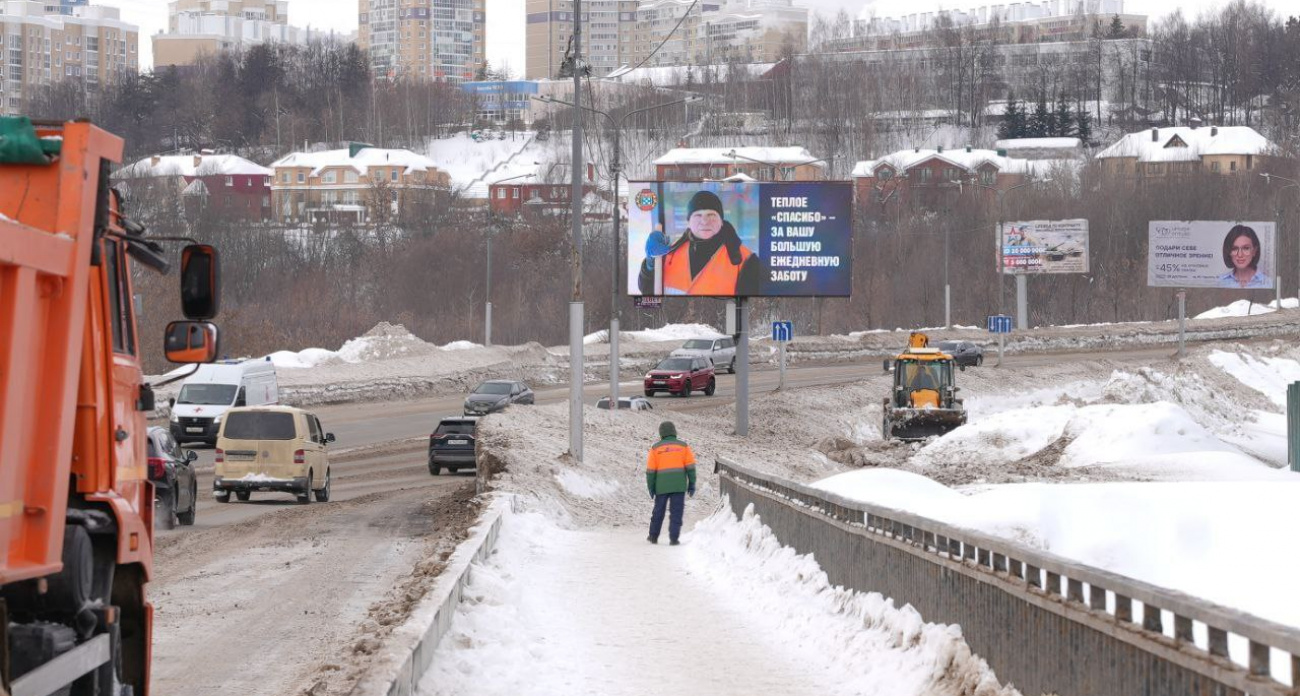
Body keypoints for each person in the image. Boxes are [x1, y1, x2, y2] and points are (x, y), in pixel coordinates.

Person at [637, 190, 762, 296]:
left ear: (722, 221)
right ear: (688, 222)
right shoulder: (670, 252)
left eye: (711, 214)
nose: (704, 221)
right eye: (698, 215)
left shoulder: (746, 261)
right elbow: (647, 291)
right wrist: (650, 265)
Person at [645, 420, 696, 546]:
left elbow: (650, 471)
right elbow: (690, 467)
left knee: (658, 511)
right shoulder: (683, 447)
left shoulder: (655, 448)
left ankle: (653, 536)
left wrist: (651, 487)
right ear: (674, 432)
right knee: (676, 512)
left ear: (661, 433)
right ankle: (674, 538)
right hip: (679, 486)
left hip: (661, 487)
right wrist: (692, 484)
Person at [1218, 225, 1271, 289]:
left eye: (1246, 248)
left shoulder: (1268, 283)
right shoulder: (1220, 282)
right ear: (1229, 252)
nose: (1240, 255)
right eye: (1234, 248)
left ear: (1254, 251)